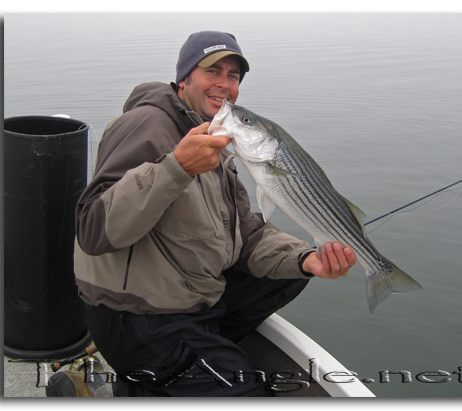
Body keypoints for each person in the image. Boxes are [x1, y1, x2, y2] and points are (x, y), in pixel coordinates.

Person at [60, 31, 356, 397]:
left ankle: (179, 370)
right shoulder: (146, 125)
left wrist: (307, 259)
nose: (224, 85)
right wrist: (176, 168)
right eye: (212, 71)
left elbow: (248, 234)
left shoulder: (214, 136)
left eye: (233, 76)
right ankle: (179, 368)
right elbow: (92, 231)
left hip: (186, 296)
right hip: (134, 316)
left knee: (289, 274)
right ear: (185, 78)